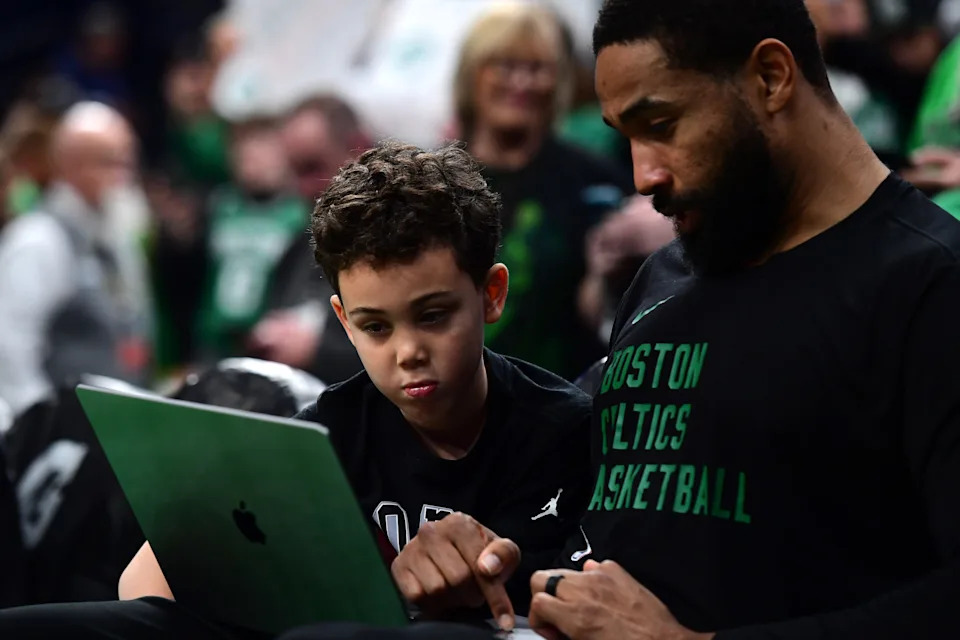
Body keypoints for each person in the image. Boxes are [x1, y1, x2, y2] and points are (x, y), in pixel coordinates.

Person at [294, 0, 960, 638]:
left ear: (771, 77)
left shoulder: (927, 284)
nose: (642, 175)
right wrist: (490, 556)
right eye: (628, 138)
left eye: (662, 124)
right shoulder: (668, 272)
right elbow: (597, 503)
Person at [0, 141, 593, 639]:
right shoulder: (317, 434)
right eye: (375, 327)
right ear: (342, 320)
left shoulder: (563, 430)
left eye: (433, 316)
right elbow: (144, 586)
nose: (408, 351)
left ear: (490, 294)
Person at [453, 2, 633, 380]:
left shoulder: (593, 180)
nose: (521, 82)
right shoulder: (435, 181)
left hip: (563, 404)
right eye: (504, 65)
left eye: (537, 69)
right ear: (471, 74)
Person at [0, 101, 151, 418]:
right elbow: (10, 350)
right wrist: (39, 427)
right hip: (62, 436)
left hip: (118, 427)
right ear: (71, 164)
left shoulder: (117, 236)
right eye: (109, 163)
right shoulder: (39, 238)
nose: (122, 177)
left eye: (128, 162)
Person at [244, 95, 369, 383]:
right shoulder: (298, 247)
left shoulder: (401, 242)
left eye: (314, 168)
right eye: (294, 172)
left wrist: (319, 352)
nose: (304, 188)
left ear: (359, 147)